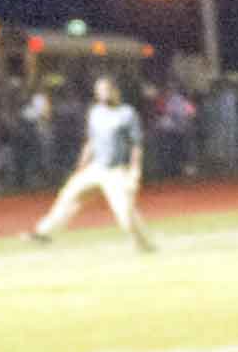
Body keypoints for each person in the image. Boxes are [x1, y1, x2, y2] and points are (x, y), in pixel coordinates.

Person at [26, 74, 152, 251]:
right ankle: (43, 232)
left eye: (105, 90)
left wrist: (135, 170)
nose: (102, 94)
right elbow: (91, 142)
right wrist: (81, 167)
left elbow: (136, 144)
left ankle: (143, 244)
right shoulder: (95, 113)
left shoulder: (127, 113)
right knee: (68, 196)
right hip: (96, 168)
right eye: (99, 91)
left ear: (115, 91)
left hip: (116, 171)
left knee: (124, 212)